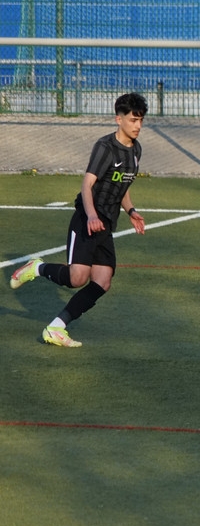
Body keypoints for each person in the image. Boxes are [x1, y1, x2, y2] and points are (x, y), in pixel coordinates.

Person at [8, 92, 149, 348]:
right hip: (87, 218)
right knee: (77, 278)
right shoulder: (105, 148)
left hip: (106, 224)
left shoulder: (136, 150)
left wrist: (131, 211)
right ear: (118, 119)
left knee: (103, 281)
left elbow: (123, 186)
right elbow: (87, 185)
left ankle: (56, 327)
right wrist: (92, 215)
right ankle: (37, 268)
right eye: (133, 120)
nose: (137, 125)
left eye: (140, 120)